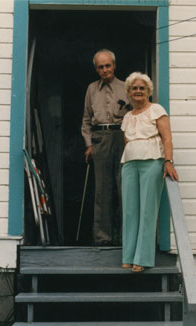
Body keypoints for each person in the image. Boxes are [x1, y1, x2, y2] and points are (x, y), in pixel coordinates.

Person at [121, 72, 179, 272]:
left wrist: (168, 162)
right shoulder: (128, 116)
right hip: (129, 163)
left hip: (152, 161)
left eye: (142, 88)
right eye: (134, 88)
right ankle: (128, 255)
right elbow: (127, 141)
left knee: (147, 209)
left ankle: (143, 258)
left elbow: (167, 138)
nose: (138, 91)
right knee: (130, 210)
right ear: (129, 92)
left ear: (148, 91)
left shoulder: (156, 110)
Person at [81, 49, 130, 246]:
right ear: (96, 69)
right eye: (100, 67)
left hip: (122, 137)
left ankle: (126, 236)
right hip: (100, 138)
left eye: (108, 65)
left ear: (114, 66)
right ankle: (103, 238)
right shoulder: (91, 89)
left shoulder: (127, 87)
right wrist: (88, 144)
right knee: (102, 190)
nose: (105, 70)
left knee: (124, 187)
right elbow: (85, 120)